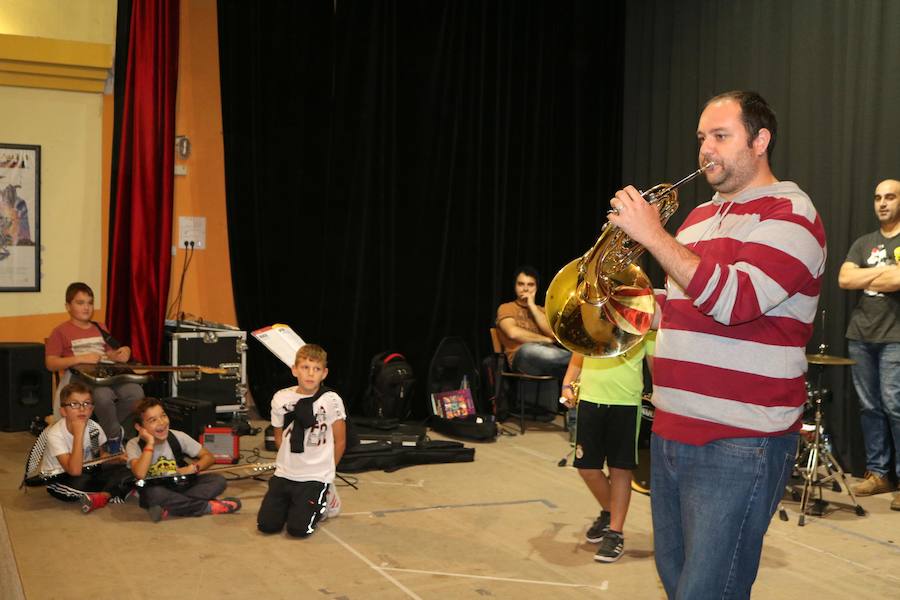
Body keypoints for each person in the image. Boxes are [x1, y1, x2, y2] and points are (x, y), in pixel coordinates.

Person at [608, 90, 826, 598]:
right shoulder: (701, 217)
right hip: (671, 431)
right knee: (678, 582)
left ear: (760, 140)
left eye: (721, 136)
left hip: (739, 440)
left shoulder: (792, 213)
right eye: (702, 138)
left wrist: (653, 235)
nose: (706, 149)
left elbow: (735, 300)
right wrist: (621, 303)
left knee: (708, 591)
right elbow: (682, 305)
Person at [561, 333, 654, 563]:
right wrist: (567, 384)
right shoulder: (593, 315)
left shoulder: (643, 321)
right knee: (587, 468)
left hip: (626, 404)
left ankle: (615, 532)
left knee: (620, 469)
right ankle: (610, 511)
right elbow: (579, 351)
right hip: (591, 401)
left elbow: (654, 365)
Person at [839, 178, 900, 509]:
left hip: (895, 337)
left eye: (890, 197)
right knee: (870, 408)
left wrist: (869, 275)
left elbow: (897, 280)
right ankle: (878, 474)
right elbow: (844, 279)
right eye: (878, 197)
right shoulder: (864, 242)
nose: (883, 203)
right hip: (860, 335)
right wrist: (885, 273)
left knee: (895, 407)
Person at [257, 344, 346, 538]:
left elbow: (340, 441)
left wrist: (328, 471)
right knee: (267, 525)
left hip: (316, 475)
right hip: (286, 472)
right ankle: (297, 501)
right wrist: (285, 463)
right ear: (294, 369)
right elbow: (278, 434)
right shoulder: (281, 398)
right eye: (305, 367)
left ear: (324, 373)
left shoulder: (331, 400)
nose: (310, 374)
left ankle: (327, 496)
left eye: (316, 369)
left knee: (298, 530)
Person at [45, 282, 143, 445]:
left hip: (107, 374)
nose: (86, 307)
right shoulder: (60, 331)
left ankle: (103, 432)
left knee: (136, 393)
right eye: (80, 303)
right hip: (80, 378)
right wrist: (80, 358)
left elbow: (109, 354)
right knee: (103, 396)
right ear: (68, 306)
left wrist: (121, 354)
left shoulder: (100, 327)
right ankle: (113, 438)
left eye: (90, 303)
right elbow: (51, 363)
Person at [125, 397, 241, 522]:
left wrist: (193, 468)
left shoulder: (177, 436)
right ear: (139, 427)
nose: (161, 423)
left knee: (218, 480)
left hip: (182, 484)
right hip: (157, 489)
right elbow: (140, 473)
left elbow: (209, 457)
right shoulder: (133, 444)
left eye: (163, 416)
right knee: (155, 494)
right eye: (152, 420)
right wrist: (150, 444)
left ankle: (172, 506)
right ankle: (206, 507)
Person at [35, 381, 132, 513]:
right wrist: (78, 434)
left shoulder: (94, 429)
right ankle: (115, 491)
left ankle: (104, 496)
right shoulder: (55, 434)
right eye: (74, 404)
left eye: (87, 404)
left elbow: (100, 457)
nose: (82, 409)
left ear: (92, 409)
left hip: (88, 471)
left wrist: (118, 458)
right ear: (63, 411)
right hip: (62, 478)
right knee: (81, 482)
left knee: (129, 469)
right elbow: (74, 471)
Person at [496, 265, 572, 416]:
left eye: (530, 285)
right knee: (529, 348)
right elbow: (512, 333)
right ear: (515, 286)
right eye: (521, 284)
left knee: (573, 370)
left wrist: (531, 306)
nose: (525, 289)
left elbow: (553, 333)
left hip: (548, 362)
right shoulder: (506, 308)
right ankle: (580, 362)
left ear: (536, 287)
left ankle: (575, 414)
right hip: (521, 360)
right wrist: (544, 339)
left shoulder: (542, 310)